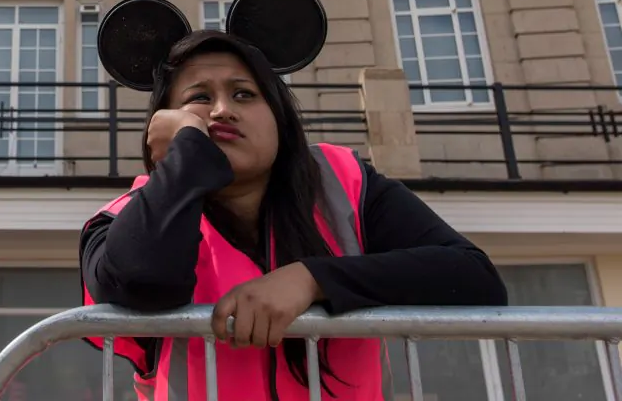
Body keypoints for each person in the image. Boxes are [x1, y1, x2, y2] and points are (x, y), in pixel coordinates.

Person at [79, 29, 508, 400]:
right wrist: (186, 156)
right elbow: (144, 283)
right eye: (199, 99)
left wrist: (313, 279)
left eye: (244, 93)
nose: (223, 109)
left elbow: (474, 279)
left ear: (279, 119)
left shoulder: (345, 184)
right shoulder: (123, 219)